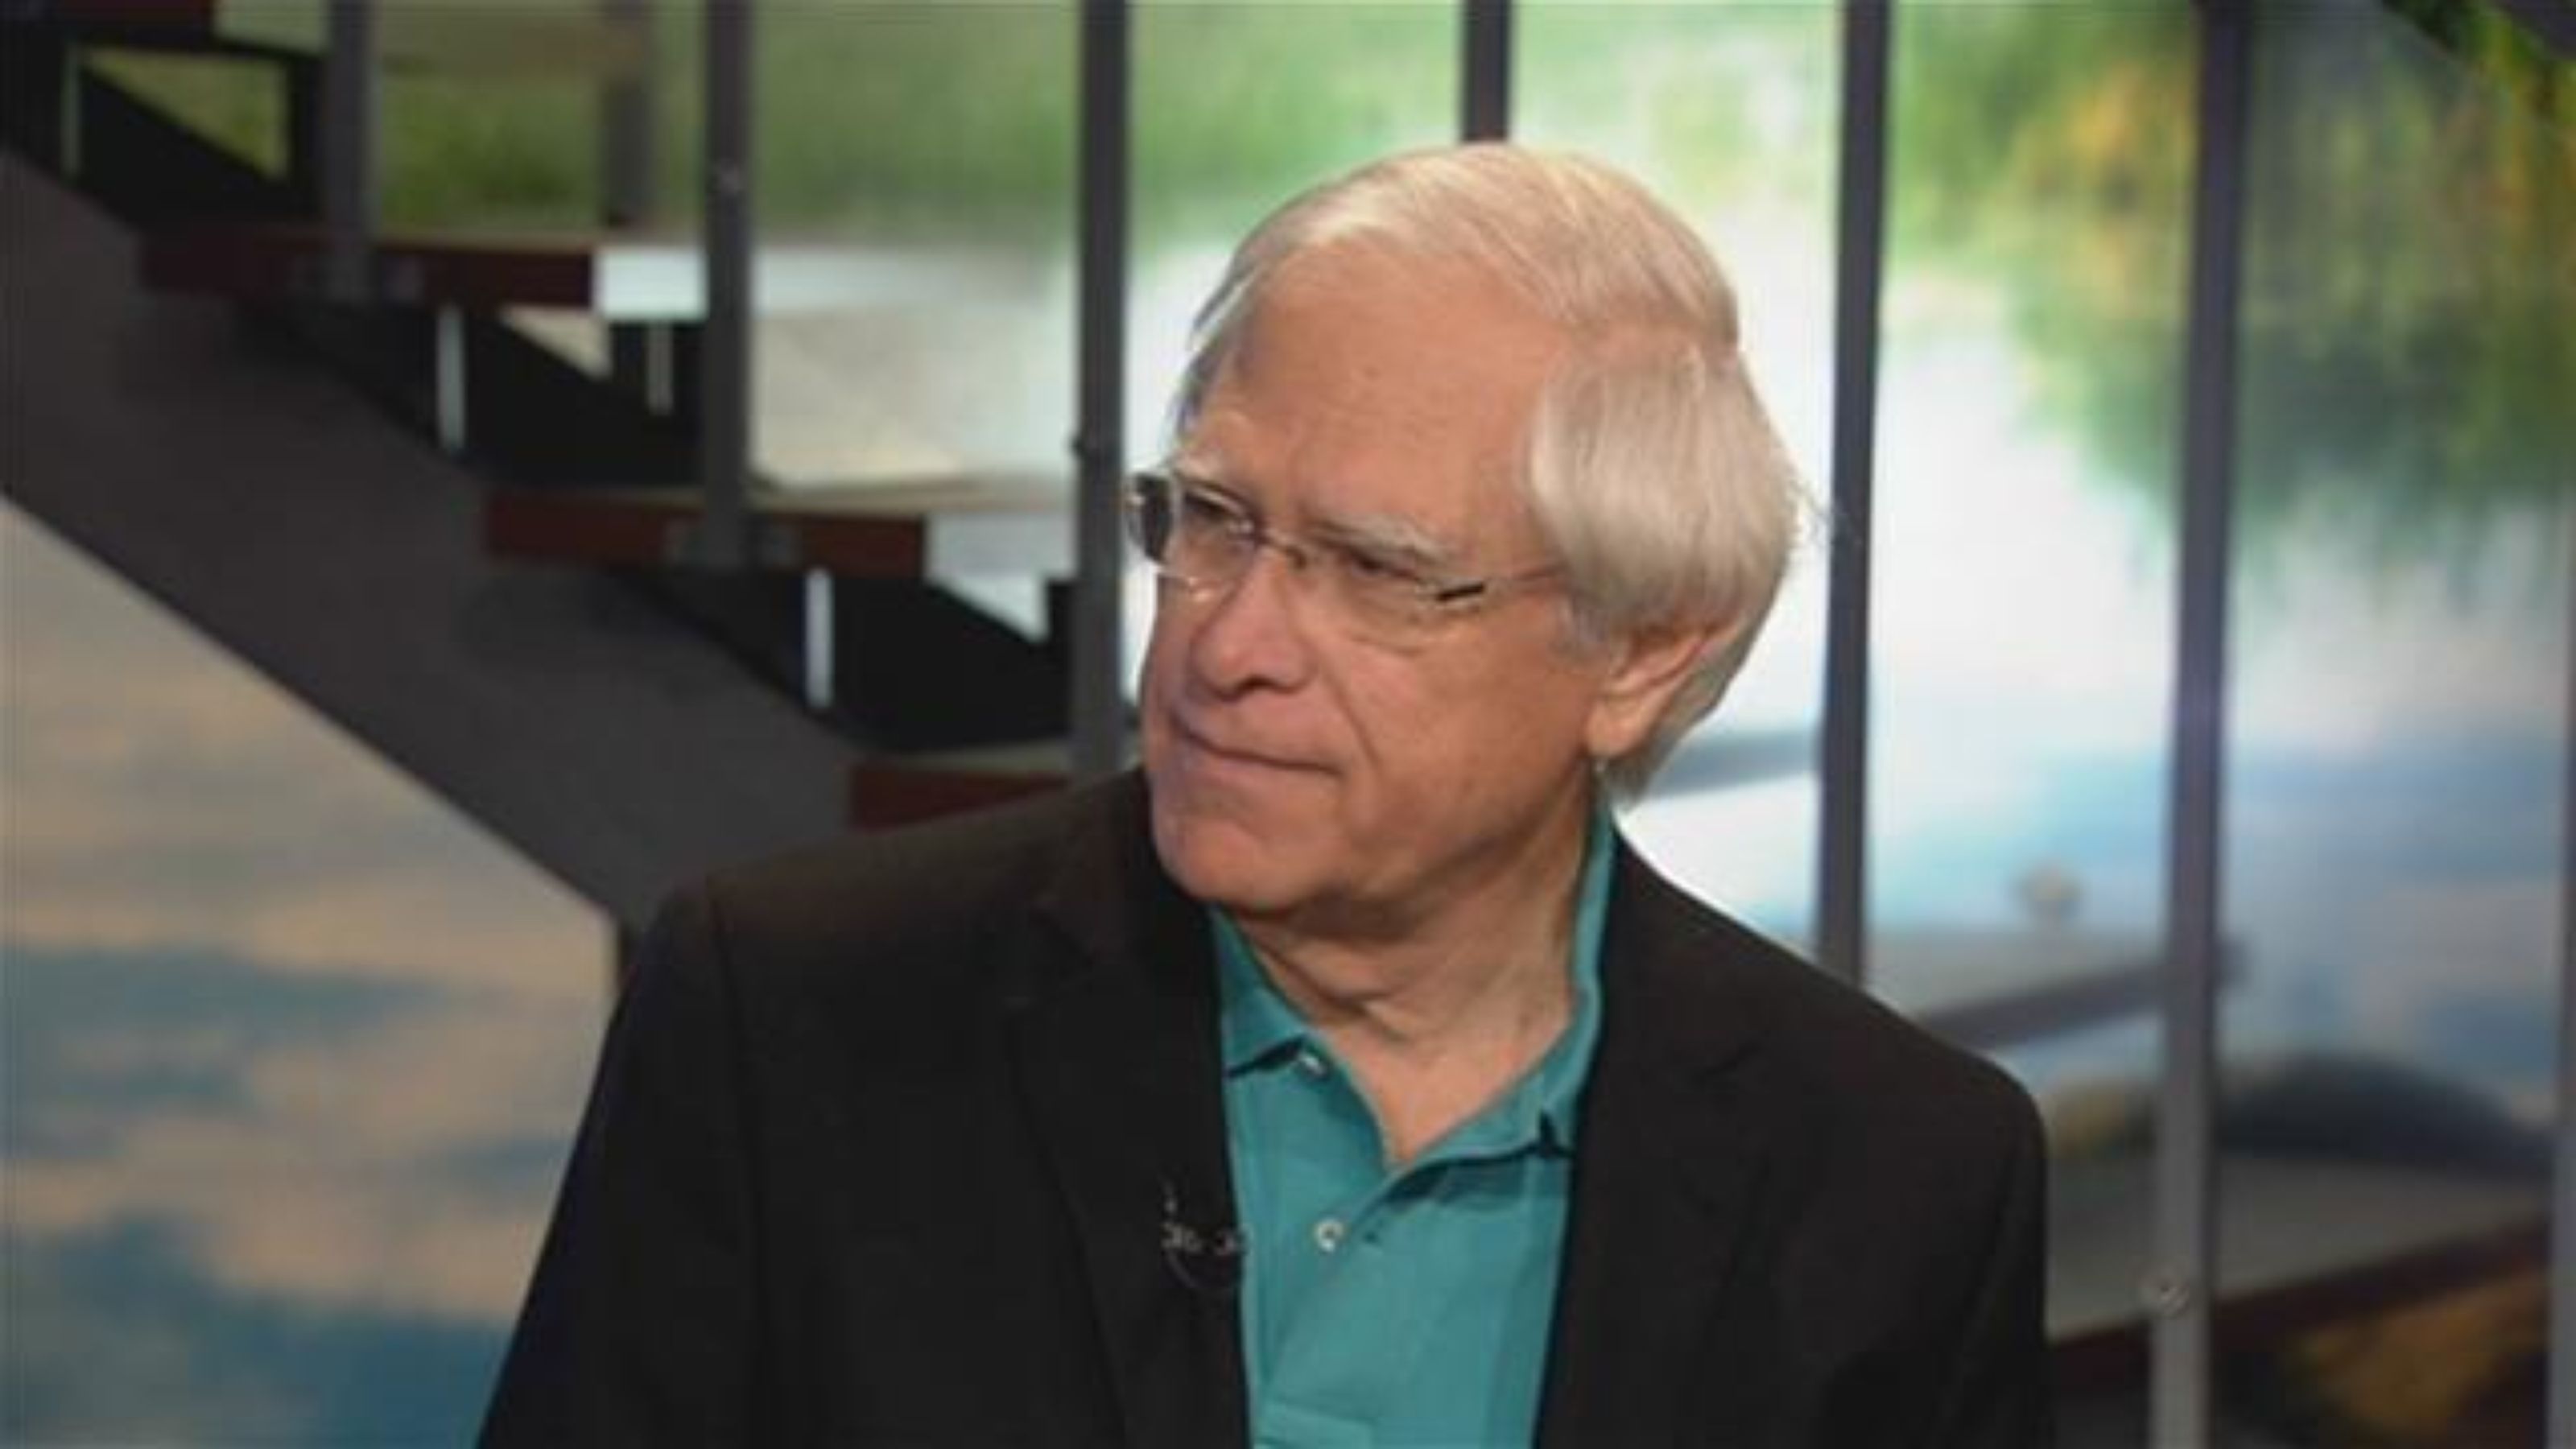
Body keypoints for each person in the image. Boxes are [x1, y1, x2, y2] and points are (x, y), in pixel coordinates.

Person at [484, 143, 2050, 1447]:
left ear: (1641, 652)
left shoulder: (1897, 1172)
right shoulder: (794, 1015)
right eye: (1214, 520)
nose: (1228, 645)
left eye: (1374, 568)